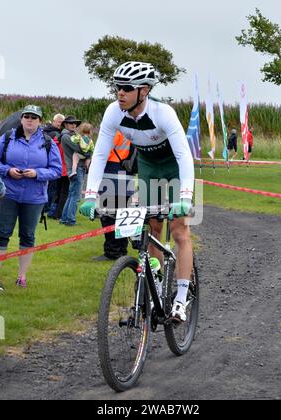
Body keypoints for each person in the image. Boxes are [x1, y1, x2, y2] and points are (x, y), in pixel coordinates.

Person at [80, 61, 195, 322]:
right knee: (153, 227)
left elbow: (184, 156)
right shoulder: (114, 112)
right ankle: (153, 282)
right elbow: (99, 154)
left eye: (126, 88)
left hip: (175, 165)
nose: (119, 93)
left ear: (143, 91)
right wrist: (90, 195)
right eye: (117, 87)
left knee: (178, 229)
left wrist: (185, 197)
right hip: (148, 166)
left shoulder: (162, 113)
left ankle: (181, 298)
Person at [0, 105, 62, 290]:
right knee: (2, 234)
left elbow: (57, 170)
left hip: (34, 198)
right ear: (21, 119)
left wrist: (37, 173)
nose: (29, 120)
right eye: (26, 116)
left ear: (40, 121)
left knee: (27, 236)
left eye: (34, 117)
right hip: (8, 194)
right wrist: (7, 170)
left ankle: (21, 276)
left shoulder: (48, 142)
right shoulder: (8, 137)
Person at [93, 130, 135, 262]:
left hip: (112, 172)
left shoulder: (115, 131)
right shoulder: (130, 131)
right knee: (122, 215)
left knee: (108, 216)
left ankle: (112, 251)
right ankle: (122, 249)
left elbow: (103, 152)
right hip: (126, 174)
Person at [59, 115, 86, 226]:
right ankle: (70, 220)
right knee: (75, 196)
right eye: (71, 123)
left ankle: (64, 218)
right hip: (76, 168)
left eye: (75, 123)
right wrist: (88, 151)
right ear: (65, 124)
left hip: (75, 168)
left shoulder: (72, 135)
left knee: (71, 195)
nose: (73, 125)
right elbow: (80, 149)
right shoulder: (66, 136)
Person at [43, 114, 65, 216]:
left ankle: (44, 207)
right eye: (59, 122)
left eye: (62, 122)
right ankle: (47, 208)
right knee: (53, 187)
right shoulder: (56, 134)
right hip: (52, 163)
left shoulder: (44, 130)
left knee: (46, 186)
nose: (60, 124)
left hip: (44, 162)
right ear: (54, 121)